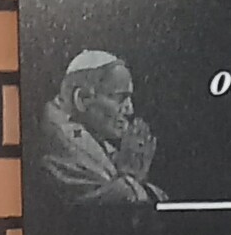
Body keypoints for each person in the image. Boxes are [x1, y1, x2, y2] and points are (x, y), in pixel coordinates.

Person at [36, 50, 166, 208]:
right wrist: (129, 176)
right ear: (82, 99)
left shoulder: (88, 134)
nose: (129, 110)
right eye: (120, 98)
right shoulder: (60, 145)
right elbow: (103, 210)